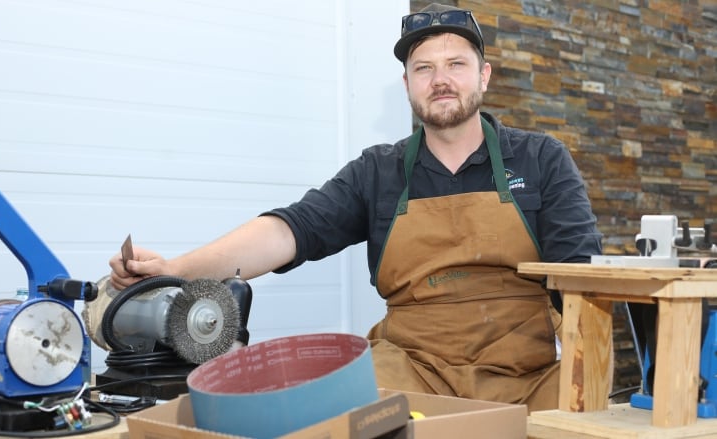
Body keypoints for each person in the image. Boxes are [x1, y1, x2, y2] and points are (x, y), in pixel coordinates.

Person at [108, 3, 602, 412]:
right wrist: (175, 270)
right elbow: (289, 232)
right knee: (343, 413)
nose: (440, 79)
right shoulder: (378, 172)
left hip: (528, 374)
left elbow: (581, 276)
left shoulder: (541, 159)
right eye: (424, 68)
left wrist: (588, 371)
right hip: (411, 369)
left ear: (484, 76)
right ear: (407, 83)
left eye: (456, 64)